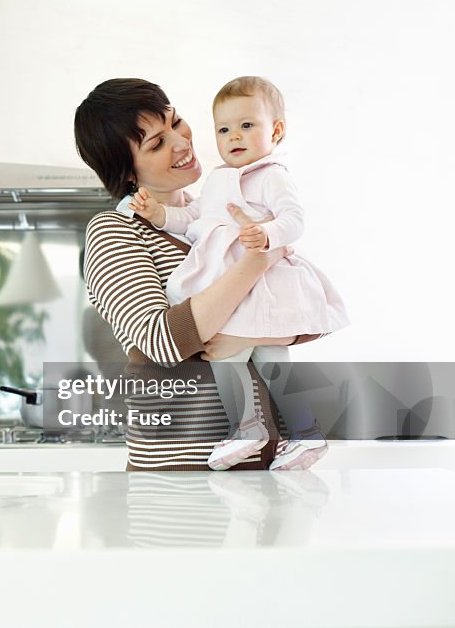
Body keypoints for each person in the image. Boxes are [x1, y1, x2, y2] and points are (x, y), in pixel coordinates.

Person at [75, 78, 324, 471]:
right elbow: (162, 341)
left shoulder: (220, 211)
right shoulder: (114, 231)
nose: (181, 142)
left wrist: (247, 334)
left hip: (271, 470)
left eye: (177, 122)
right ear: (126, 172)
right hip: (184, 475)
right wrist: (258, 260)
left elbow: (299, 305)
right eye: (156, 143)